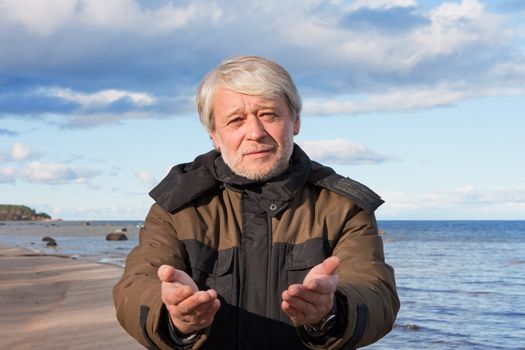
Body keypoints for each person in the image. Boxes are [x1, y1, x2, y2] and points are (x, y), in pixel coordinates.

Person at [113, 56, 399, 350]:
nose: (255, 132)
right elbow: (135, 286)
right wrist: (174, 316)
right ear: (214, 134)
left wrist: (331, 312)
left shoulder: (343, 206)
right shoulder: (176, 207)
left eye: (269, 115)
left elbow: (377, 292)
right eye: (236, 120)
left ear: (295, 121)